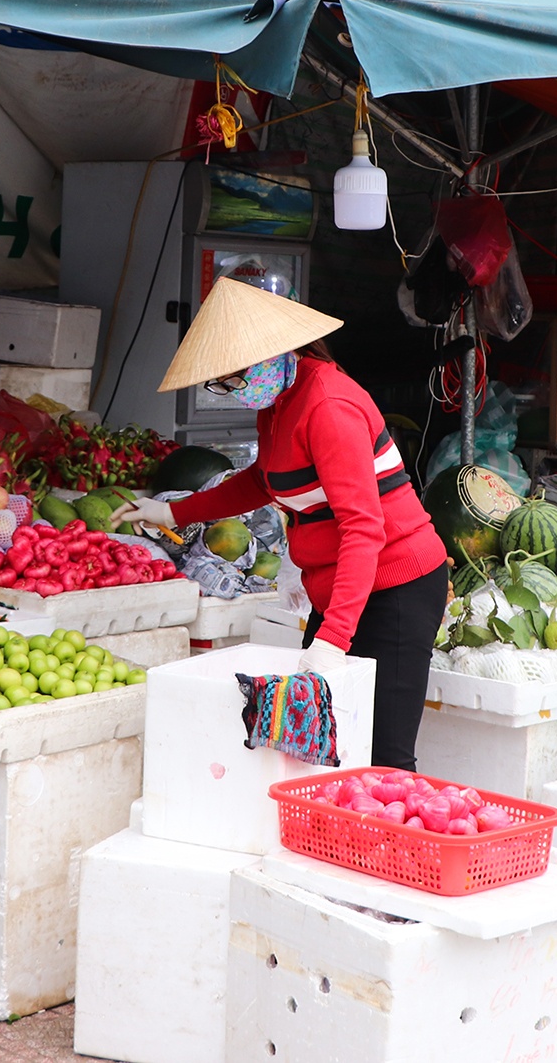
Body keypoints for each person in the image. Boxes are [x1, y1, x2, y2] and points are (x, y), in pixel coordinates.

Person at [113, 278, 450, 771]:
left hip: (397, 585)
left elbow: (363, 529)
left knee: (384, 757)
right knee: (322, 744)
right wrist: (173, 512)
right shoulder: (279, 403)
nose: (231, 391)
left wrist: (333, 639)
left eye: (233, 379)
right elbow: (264, 479)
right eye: (220, 383)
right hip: (340, 586)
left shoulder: (328, 407)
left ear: (269, 358)